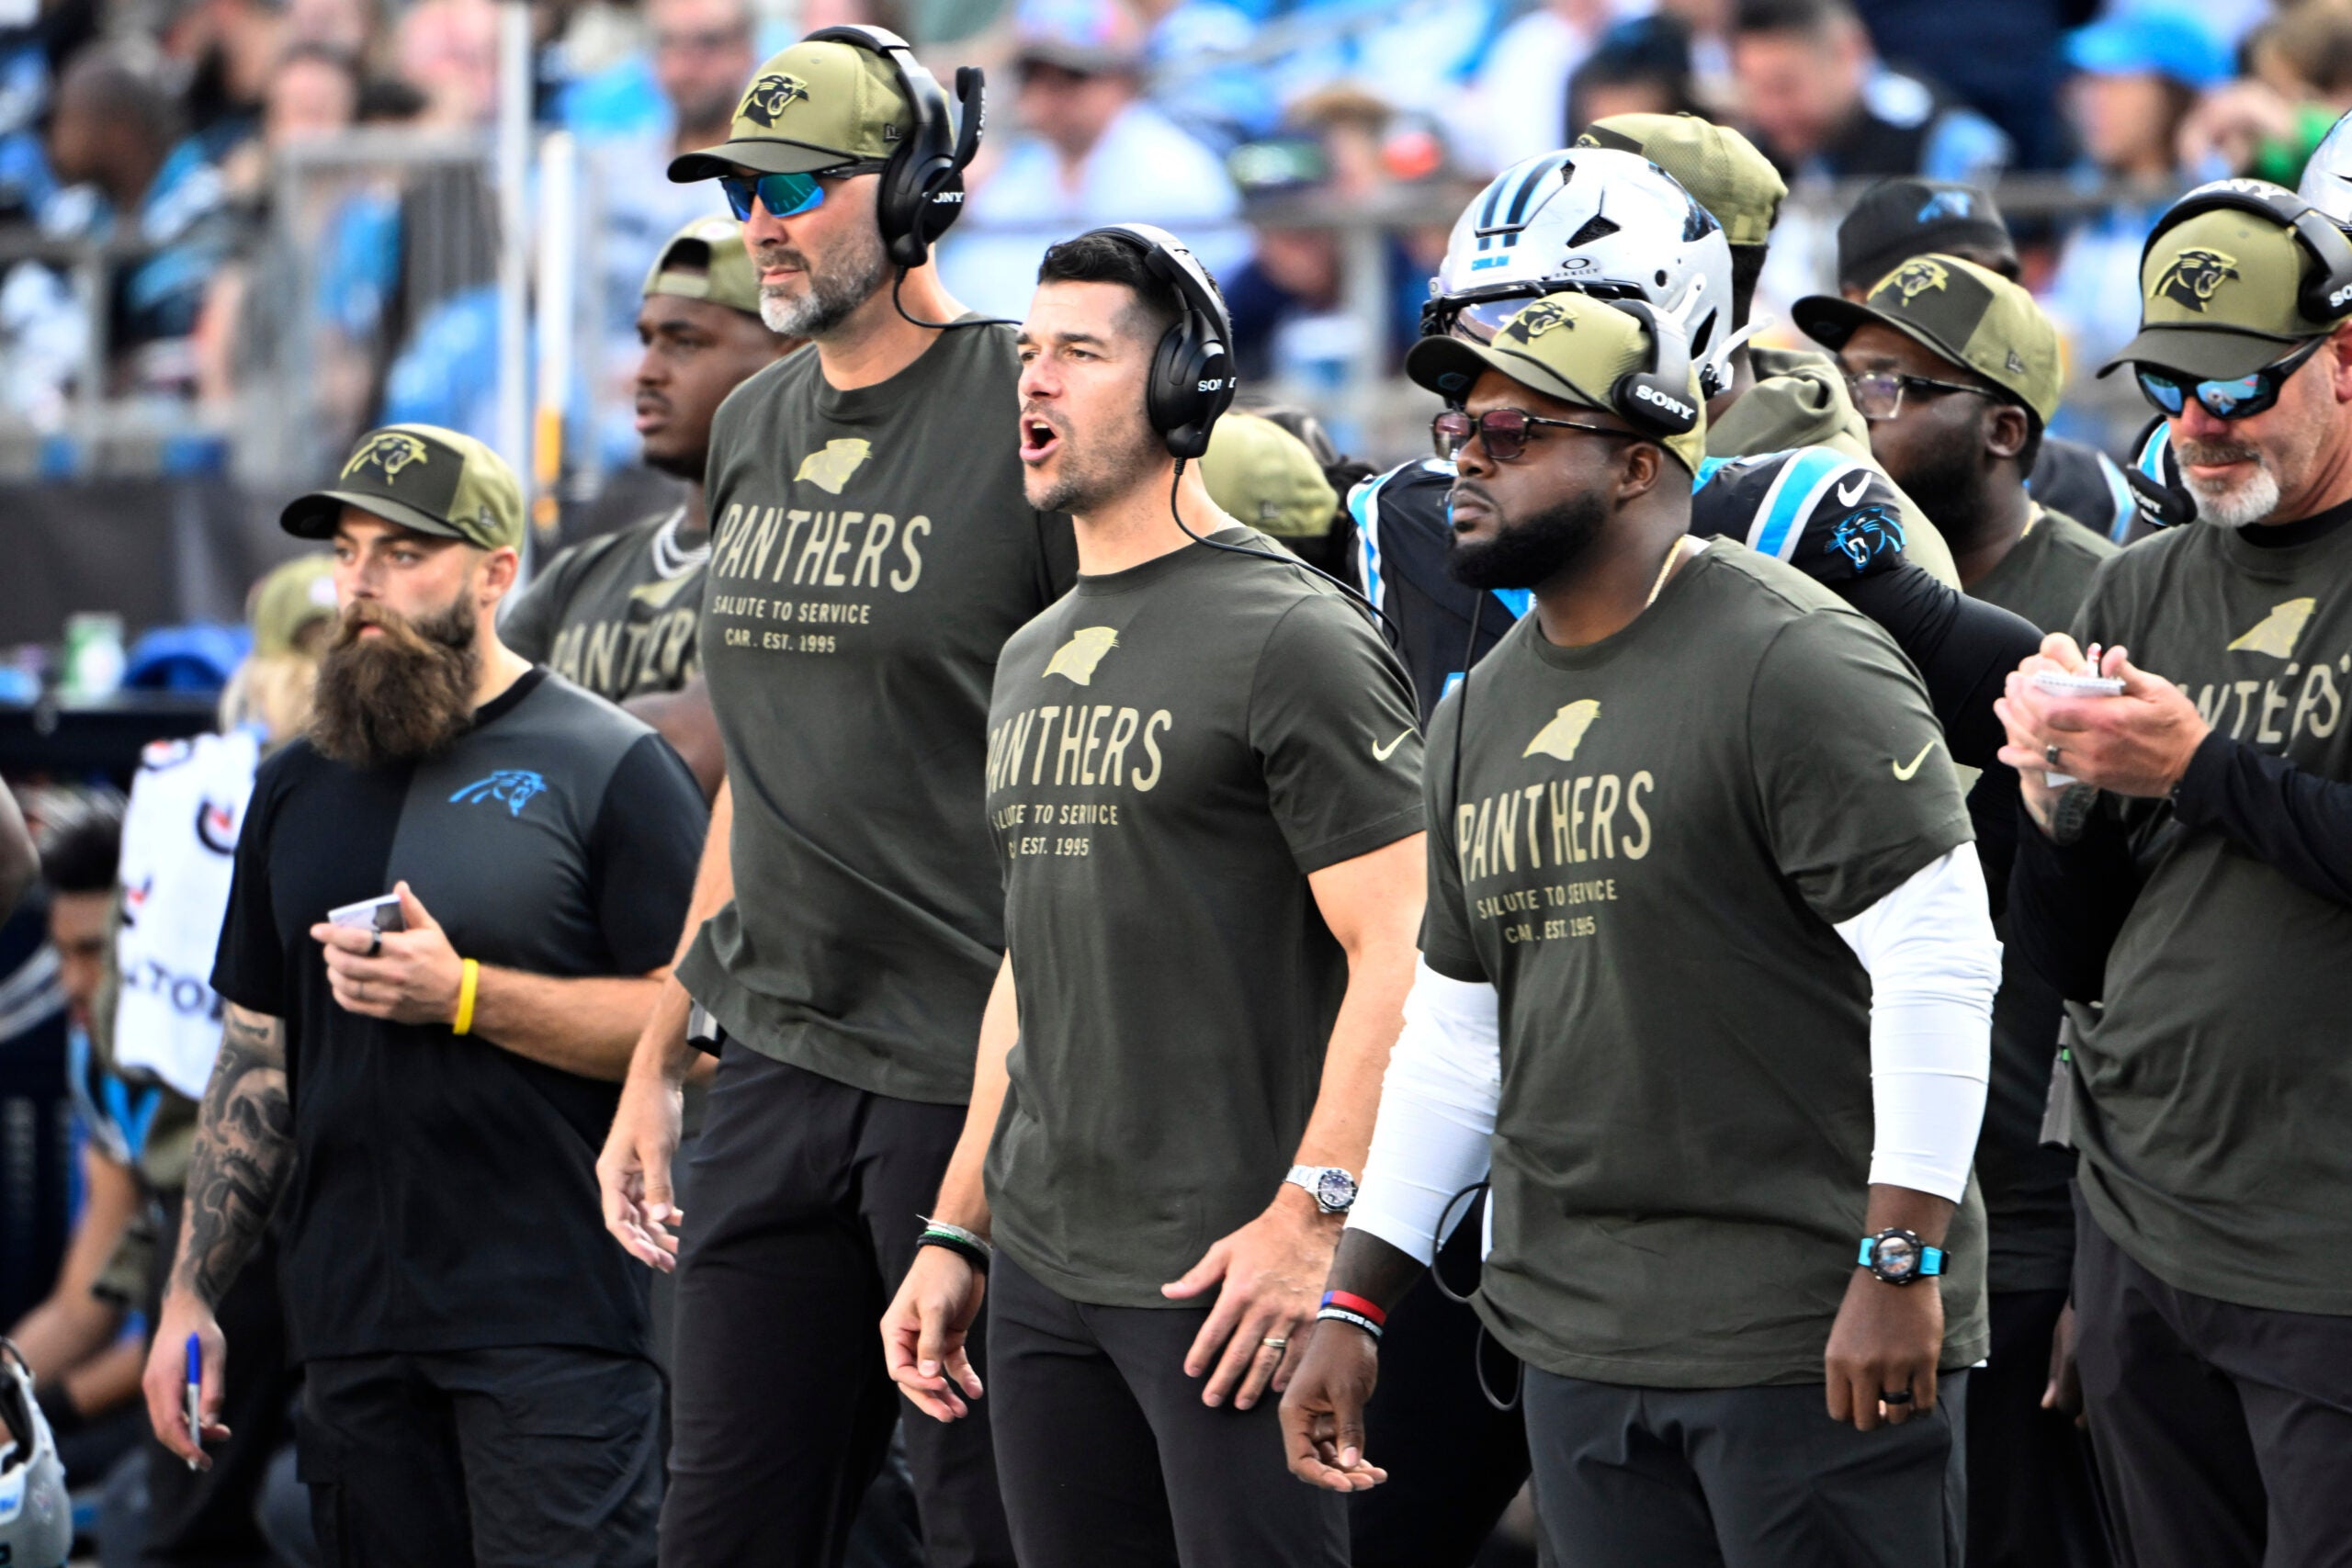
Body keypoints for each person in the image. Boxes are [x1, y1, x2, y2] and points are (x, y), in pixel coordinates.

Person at [1282, 287, 2001, 1567]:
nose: (1469, 458)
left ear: (1635, 463)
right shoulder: (1473, 712)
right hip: (1578, 1341)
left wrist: (1900, 1261)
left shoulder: (1794, 656)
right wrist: (1358, 1299)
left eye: (1517, 431)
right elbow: (1457, 1039)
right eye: (1460, 427)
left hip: (1805, 1333)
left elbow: (1937, 960)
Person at [880, 226, 1424, 1568]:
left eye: (1080, 352)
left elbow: (1403, 945)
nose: (1034, 381)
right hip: (1045, 1270)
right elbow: (1032, 959)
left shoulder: (1291, 632)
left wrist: (1313, 1217)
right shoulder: (1028, 652)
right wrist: (959, 1226)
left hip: (1227, 1276)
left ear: (1185, 387)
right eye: (1027, 352)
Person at [597, 28, 1071, 1568]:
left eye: (797, 185)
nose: (762, 222)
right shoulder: (754, 422)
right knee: (720, 1532)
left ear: (920, 187)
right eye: (742, 191)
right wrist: (662, 1049)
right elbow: (763, 763)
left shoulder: (1029, 402)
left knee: (983, 1530)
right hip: (774, 1062)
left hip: (968, 1073)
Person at [138, 423, 707, 1567]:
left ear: (496, 574)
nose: (364, 585)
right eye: (349, 553)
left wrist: (466, 995)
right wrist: (190, 1298)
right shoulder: (292, 785)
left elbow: (692, 1029)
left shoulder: (605, 762)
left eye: (405, 554)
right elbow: (255, 1062)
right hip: (351, 1326)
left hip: (552, 1322)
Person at [1998, 184, 2352, 1568]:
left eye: (2238, 386)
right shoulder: (2141, 587)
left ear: (2342, 358)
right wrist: (2058, 809)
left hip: (2325, 1248)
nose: (2197, 423)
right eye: (2168, 385)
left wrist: (2199, 767)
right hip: (2146, 1223)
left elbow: (2229, 794)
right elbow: (2072, 955)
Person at [1793, 255, 2115, 1568]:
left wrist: (2104, 1258)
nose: (1858, 407)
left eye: (1895, 384)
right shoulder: (1814, 596)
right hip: (1862, 1172)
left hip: (2035, 1183)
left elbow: (2140, 947)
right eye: (1848, 377)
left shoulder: (2095, 602)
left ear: (2003, 428)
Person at [501, 215, 800, 796]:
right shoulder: (580, 575)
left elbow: (688, 753)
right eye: (647, 341)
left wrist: (521, 749)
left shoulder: (816, 558)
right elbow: (471, 726)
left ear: (789, 357)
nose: (646, 373)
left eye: (685, 343)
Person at [1830, 179, 2139, 544]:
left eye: (2004, 279)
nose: (1990, 300)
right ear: (1856, 300)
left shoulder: (2089, 488)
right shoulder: (1801, 475)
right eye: (1948, 277)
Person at [9, 796, 150, 1491]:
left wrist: (32, 1415)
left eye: (93, 952)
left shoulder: (227, 1063)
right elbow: (84, 1306)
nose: (70, 981)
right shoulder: (93, 1062)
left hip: (244, 1379)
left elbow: (235, 1322)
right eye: (61, 953)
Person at [942, 0, 1241, 321]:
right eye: (1033, 76)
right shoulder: (1016, 176)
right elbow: (965, 291)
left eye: (1071, 77)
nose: (1047, 95)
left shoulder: (1174, 175)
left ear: (1124, 80)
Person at [1729, 0, 2010, 184]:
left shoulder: (1938, 137)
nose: (1770, 111)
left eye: (1784, 87)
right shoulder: (1760, 149)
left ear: (1848, 54)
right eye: (1755, 89)